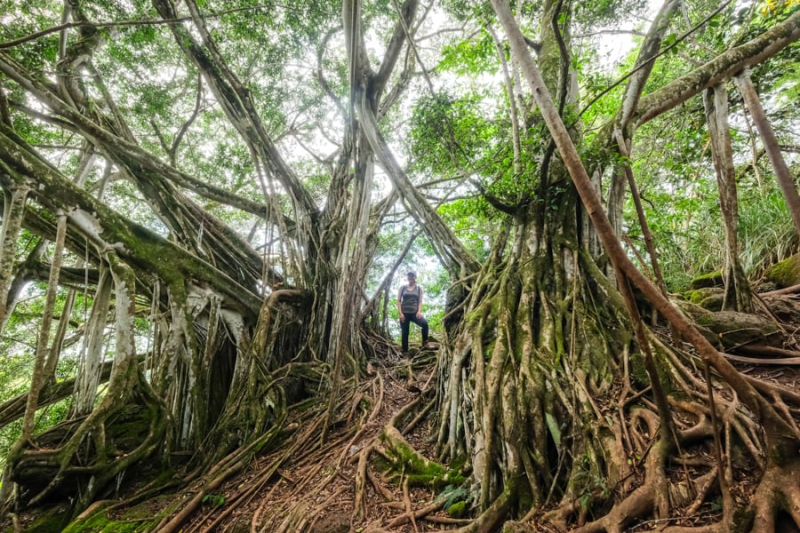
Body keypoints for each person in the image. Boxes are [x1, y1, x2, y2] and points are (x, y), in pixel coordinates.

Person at [398, 270, 429, 353]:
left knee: (424, 324)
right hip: (404, 313)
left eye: (412, 276)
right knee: (405, 332)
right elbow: (398, 301)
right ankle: (405, 352)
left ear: (415, 277)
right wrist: (400, 313)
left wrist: (419, 311)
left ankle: (424, 343)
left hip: (414, 313)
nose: (410, 277)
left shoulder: (418, 288)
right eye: (409, 276)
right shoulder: (403, 287)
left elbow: (420, 301)